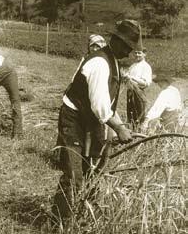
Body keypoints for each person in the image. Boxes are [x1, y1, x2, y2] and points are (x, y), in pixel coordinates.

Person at [52, 19, 143, 229]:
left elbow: (108, 104)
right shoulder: (100, 63)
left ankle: (84, 216)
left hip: (91, 119)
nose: (129, 52)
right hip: (73, 118)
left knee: (93, 169)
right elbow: (100, 105)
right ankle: (60, 223)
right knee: (74, 174)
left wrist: (120, 126)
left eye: (132, 48)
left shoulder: (115, 64)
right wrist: (118, 128)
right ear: (116, 41)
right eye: (127, 47)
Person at [122, 47, 152, 127]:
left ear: (144, 54)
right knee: (130, 116)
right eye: (135, 53)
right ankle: (132, 133)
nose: (137, 55)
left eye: (139, 53)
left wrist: (131, 78)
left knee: (139, 116)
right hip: (130, 93)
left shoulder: (146, 67)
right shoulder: (133, 66)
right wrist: (124, 77)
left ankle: (139, 133)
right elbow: (127, 81)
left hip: (139, 93)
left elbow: (146, 83)